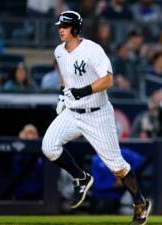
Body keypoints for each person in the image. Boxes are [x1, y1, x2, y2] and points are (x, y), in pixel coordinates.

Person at [41, 11, 151, 225]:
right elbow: (65, 77)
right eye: (60, 26)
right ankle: (81, 178)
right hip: (73, 112)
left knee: (117, 166)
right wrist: (63, 96)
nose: (61, 29)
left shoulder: (92, 49)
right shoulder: (59, 51)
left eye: (65, 26)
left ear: (75, 28)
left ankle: (140, 202)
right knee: (49, 147)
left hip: (97, 114)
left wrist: (82, 91)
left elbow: (108, 80)